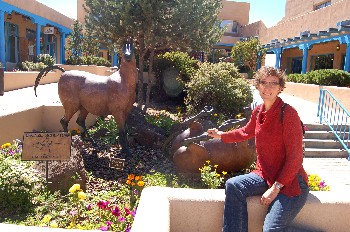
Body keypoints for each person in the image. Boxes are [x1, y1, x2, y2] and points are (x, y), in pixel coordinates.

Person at [207, 66, 309, 232]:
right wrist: (221, 135)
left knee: (271, 229)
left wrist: (275, 189)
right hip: (266, 175)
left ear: (280, 88)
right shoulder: (258, 111)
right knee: (234, 185)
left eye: (273, 83)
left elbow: (295, 159)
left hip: (291, 182)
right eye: (263, 82)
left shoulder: (288, 114)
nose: (267, 87)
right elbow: (246, 131)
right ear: (258, 85)